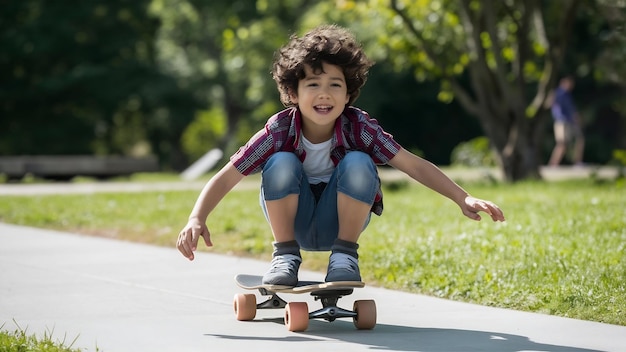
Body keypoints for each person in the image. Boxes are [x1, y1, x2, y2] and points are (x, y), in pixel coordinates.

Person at [176, 25, 505, 286]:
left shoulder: (359, 127)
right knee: (280, 162)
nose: (324, 94)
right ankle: (286, 255)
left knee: (360, 161)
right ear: (293, 93)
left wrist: (463, 198)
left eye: (335, 85)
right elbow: (227, 175)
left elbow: (411, 164)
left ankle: (345, 256)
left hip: (341, 223)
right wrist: (196, 217)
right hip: (295, 222)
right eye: (313, 84)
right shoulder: (278, 130)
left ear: (348, 93)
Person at [548, 76, 585, 166]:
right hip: (562, 121)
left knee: (577, 140)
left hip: (568, 121)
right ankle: (554, 163)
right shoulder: (560, 93)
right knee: (562, 143)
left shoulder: (566, 94)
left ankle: (576, 161)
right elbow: (552, 105)